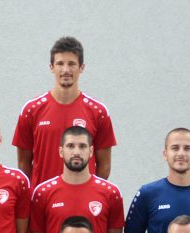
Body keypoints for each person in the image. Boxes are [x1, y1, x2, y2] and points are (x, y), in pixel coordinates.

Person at [12, 36, 115, 186]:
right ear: (51, 67)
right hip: (42, 203)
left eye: (72, 64)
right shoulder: (31, 110)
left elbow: (104, 165)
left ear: (82, 68)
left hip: (83, 203)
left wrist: (91, 193)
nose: (66, 70)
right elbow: (23, 163)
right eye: (60, 63)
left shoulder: (98, 112)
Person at [31, 127, 123, 233]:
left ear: (91, 151)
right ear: (61, 151)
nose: (76, 152)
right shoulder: (43, 193)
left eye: (82, 146)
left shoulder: (111, 193)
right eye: (70, 146)